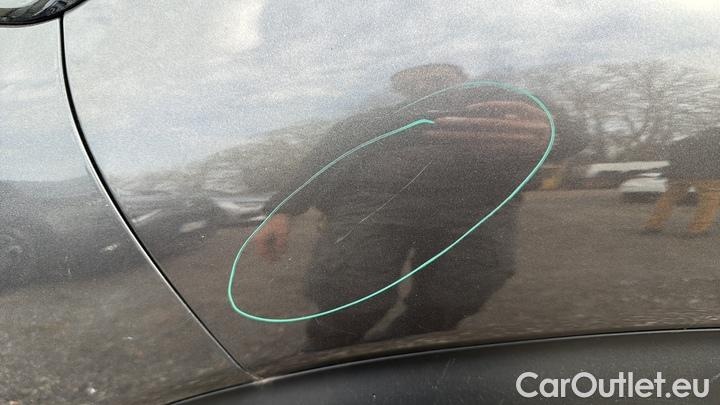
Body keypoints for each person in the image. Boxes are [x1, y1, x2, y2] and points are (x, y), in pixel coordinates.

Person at [254, 64, 585, 351]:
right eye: (416, 79)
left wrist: (552, 133)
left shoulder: (502, 101)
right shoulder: (371, 119)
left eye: (440, 76)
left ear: (460, 78)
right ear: (403, 89)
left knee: (463, 288)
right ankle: (327, 348)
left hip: (479, 203)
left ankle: (408, 342)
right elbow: (321, 160)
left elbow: (568, 132)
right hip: (371, 204)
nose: (429, 82)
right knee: (350, 291)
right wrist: (282, 210)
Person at [645, 127, 720, 235]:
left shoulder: (692, 139)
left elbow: (673, 152)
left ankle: (653, 224)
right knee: (710, 199)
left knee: (669, 197)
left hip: (679, 172)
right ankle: (697, 229)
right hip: (707, 174)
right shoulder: (715, 141)